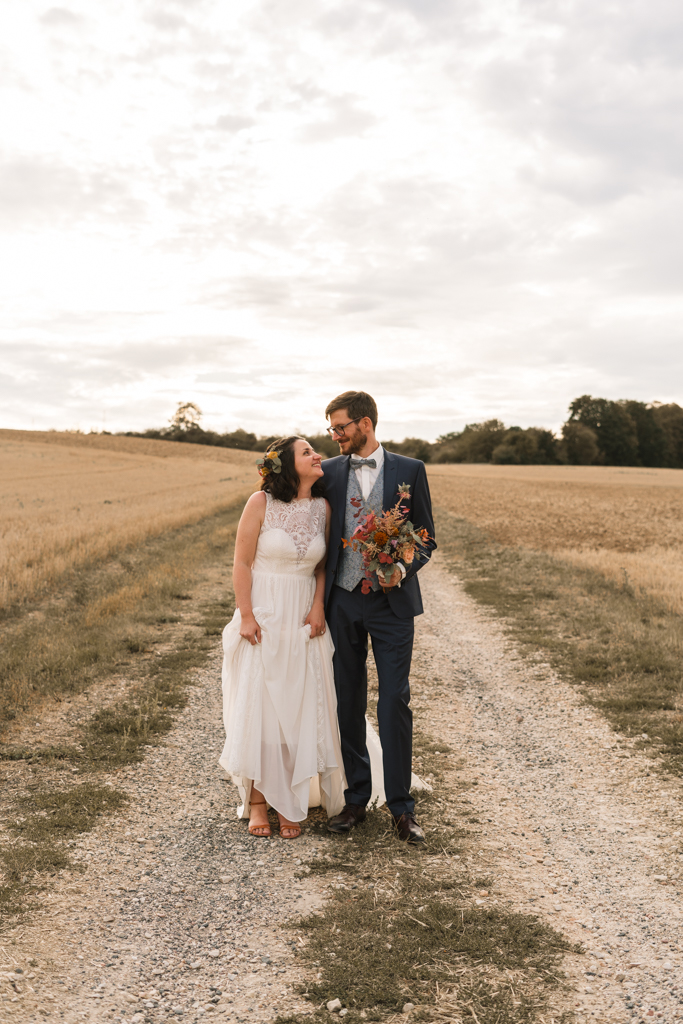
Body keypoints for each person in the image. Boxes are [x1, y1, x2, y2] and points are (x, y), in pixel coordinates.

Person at [322, 391, 436, 844]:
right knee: (346, 699)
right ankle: (355, 798)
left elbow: (425, 537)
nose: (334, 435)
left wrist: (402, 566)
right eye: (332, 427)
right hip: (342, 600)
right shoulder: (329, 472)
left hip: (392, 606)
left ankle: (401, 807)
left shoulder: (410, 470)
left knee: (395, 701)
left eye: (341, 427)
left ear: (365, 424)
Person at [218, 436, 346, 839]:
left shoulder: (323, 508)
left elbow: (323, 566)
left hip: (303, 615)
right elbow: (241, 561)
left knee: (300, 706)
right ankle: (257, 801)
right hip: (266, 612)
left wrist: (318, 606)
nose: (317, 455)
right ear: (287, 465)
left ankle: (288, 800)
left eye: (314, 450)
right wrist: (247, 615)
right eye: (307, 452)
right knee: (262, 707)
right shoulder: (260, 504)